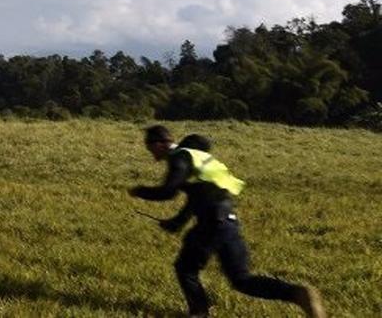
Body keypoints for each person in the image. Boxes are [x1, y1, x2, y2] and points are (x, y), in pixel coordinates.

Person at [129, 125, 324, 318]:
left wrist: (140, 191)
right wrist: (177, 222)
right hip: (228, 221)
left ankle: (199, 313)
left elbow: (168, 192)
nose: (151, 153)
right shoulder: (198, 157)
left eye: (150, 147)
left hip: (211, 223)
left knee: (186, 268)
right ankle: (298, 293)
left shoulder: (179, 158)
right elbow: (197, 196)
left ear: (161, 143)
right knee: (241, 279)